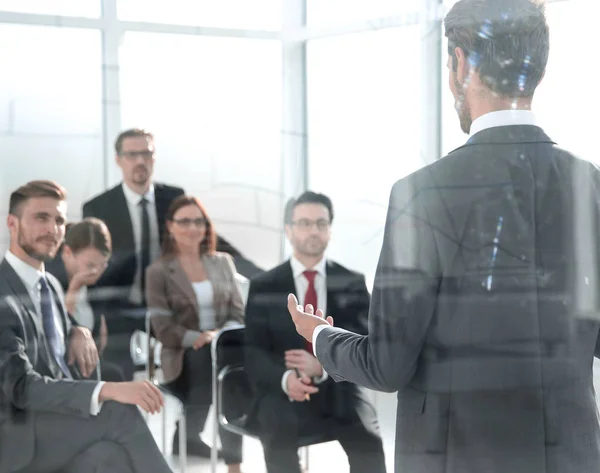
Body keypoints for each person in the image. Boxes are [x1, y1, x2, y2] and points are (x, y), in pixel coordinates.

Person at [288, 1, 600, 472]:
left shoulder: (423, 193)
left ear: (459, 65)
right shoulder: (590, 185)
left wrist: (320, 336)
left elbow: (386, 366)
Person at [0, 180, 172, 473]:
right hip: (18, 436)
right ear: (12, 224)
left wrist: (77, 329)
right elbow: (21, 387)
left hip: (56, 425)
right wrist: (106, 389)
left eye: (59, 221)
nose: (53, 230)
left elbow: (54, 332)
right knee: (118, 413)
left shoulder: (50, 284)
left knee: (110, 457)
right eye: (41, 218)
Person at [83, 128, 261, 380]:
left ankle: (186, 407)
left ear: (154, 158)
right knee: (116, 369)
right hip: (122, 306)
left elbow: (211, 241)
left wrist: (264, 277)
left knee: (199, 354)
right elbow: (91, 267)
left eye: (146, 153)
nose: (140, 161)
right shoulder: (100, 207)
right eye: (132, 154)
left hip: (170, 302)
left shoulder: (172, 197)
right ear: (118, 159)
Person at [245, 191, 386, 473]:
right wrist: (286, 379)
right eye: (304, 223)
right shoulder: (264, 285)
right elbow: (252, 352)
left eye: (321, 223)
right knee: (277, 433)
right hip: (282, 390)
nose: (313, 230)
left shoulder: (352, 282)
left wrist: (324, 365)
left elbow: (367, 343)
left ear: (330, 230)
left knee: (369, 440)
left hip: (339, 386)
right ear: (289, 230)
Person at [146, 195, 244, 471]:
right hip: (183, 352)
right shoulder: (159, 271)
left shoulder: (223, 262)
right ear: (170, 226)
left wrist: (218, 335)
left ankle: (227, 458)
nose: (192, 228)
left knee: (229, 371)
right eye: (184, 221)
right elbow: (162, 327)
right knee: (217, 370)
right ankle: (212, 448)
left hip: (223, 345)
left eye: (198, 221)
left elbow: (238, 313)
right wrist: (198, 338)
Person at [46, 218, 126, 381]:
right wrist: (74, 289)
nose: (96, 272)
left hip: (89, 366)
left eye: (102, 265)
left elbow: (101, 341)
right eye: (90, 265)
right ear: (67, 253)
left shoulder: (96, 283)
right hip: (59, 368)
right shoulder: (47, 280)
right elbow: (57, 335)